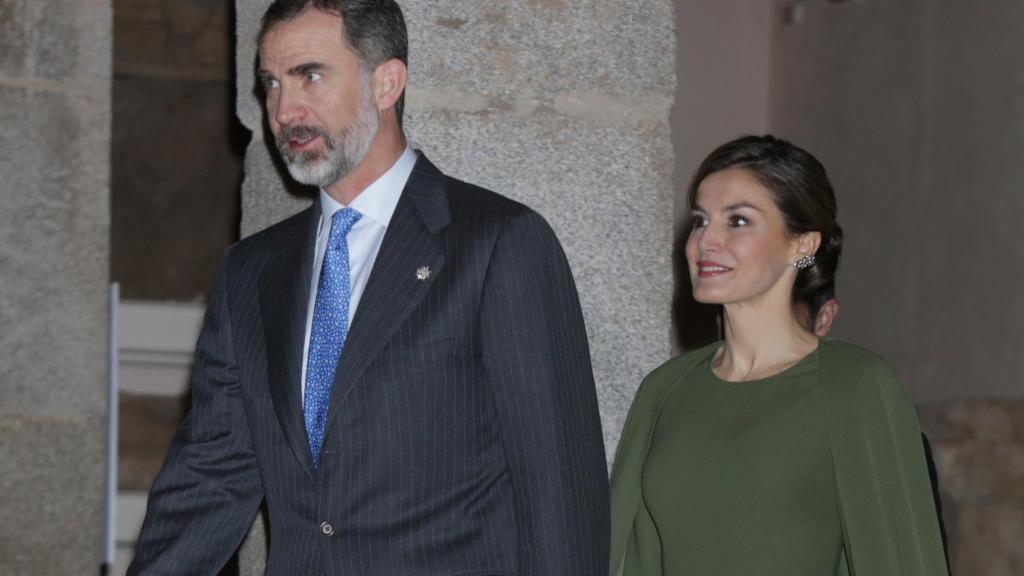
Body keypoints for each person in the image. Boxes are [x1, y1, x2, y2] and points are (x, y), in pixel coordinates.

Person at [128, 1, 609, 574]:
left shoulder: (497, 244)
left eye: (310, 75)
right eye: (271, 83)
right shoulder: (250, 273)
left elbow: (560, 491)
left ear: (386, 82)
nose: (283, 109)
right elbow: (207, 480)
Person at [609, 135, 948, 576]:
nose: (705, 241)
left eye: (738, 221)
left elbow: (901, 561)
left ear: (802, 245)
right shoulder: (666, 387)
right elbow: (629, 558)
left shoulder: (855, 384)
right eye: (700, 220)